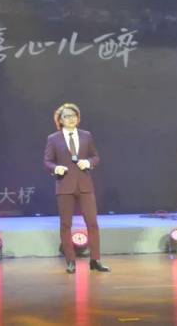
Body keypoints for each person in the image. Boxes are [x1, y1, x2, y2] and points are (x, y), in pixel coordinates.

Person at [44, 103, 110, 274]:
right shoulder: (53, 138)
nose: (71, 119)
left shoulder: (86, 136)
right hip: (65, 185)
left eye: (74, 116)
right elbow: (47, 161)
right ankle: (70, 261)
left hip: (85, 185)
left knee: (92, 223)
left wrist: (88, 162)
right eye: (67, 116)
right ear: (60, 120)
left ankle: (95, 260)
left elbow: (95, 156)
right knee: (66, 224)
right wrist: (56, 168)